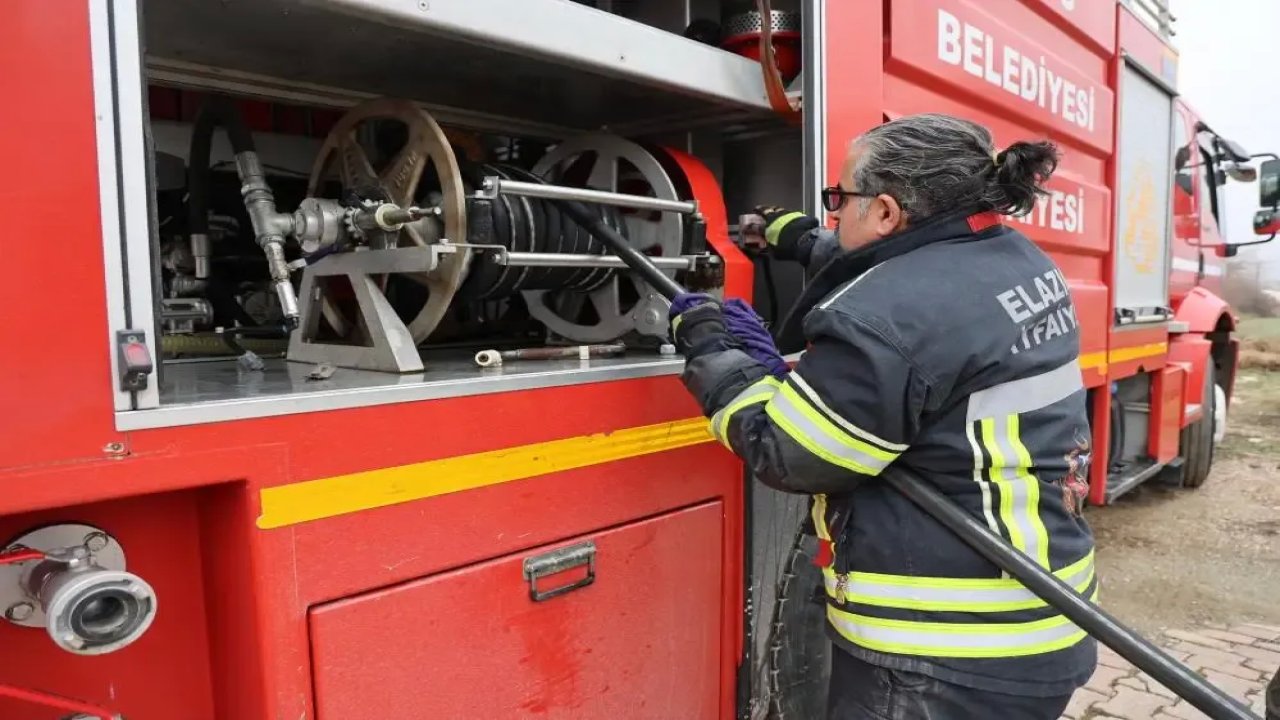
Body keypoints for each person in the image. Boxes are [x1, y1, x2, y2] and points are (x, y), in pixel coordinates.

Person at [669, 113, 1099, 719]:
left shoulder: (883, 317)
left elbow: (787, 451)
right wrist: (795, 237)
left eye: (840, 199)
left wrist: (713, 349)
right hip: (1040, 620)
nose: (834, 213)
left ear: (889, 212)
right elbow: (915, 280)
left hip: (943, 656)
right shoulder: (1013, 258)